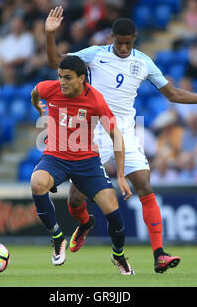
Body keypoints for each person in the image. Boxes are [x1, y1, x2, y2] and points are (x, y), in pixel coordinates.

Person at [45, 6, 197, 274]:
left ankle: (159, 254)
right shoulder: (95, 54)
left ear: (134, 38)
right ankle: (86, 223)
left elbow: (172, 94)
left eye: (128, 43)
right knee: (75, 199)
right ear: (111, 37)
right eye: (119, 42)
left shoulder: (144, 62)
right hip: (92, 130)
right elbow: (57, 63)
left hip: (124, 129)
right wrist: (50, 35)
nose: (123, 47)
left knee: (145, 186)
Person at [30, 55, 134, 275]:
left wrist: (122, 175)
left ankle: (119, 256)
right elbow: (36, 91)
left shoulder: (95, 100)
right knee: (37, 183)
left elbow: (116, 135)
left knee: (112, 210)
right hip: (56, 156)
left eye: (67, 78)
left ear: (82, 79)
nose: (62, 82)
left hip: (86, 160)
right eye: (59, 77)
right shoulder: (51, 89)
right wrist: (38, 108)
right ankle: (58, 238)